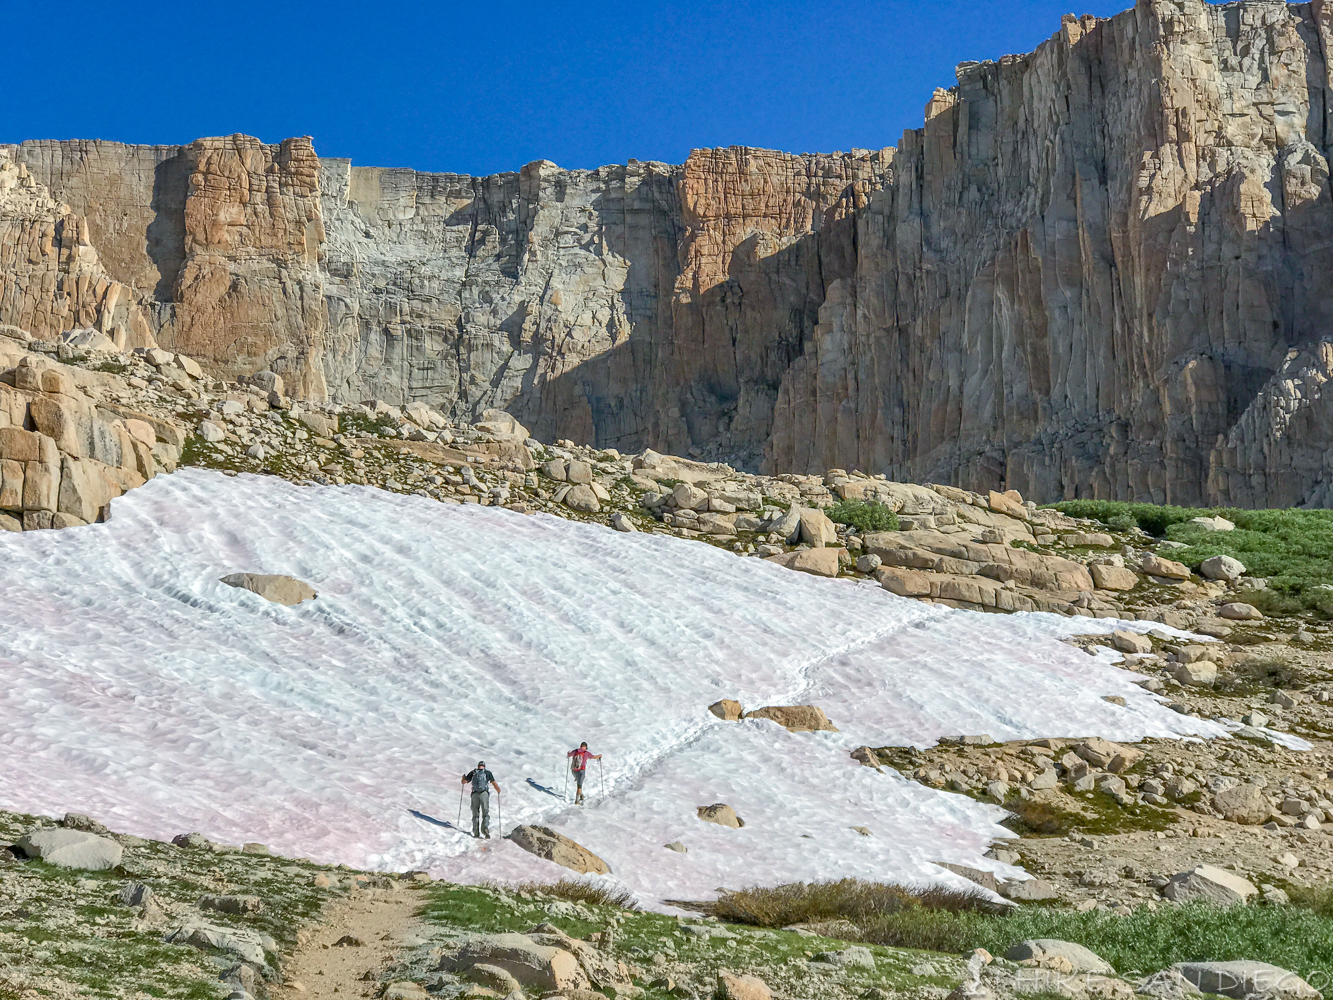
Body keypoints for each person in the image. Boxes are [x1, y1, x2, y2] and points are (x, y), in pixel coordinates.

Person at [462, 760, 500, 838]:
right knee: (485, 812)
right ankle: (485, 828)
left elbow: (464, 782)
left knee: (475, 814)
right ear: (484, 766)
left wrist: (463, 778)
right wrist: (498, 790)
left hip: (475, 794)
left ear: (478, 766)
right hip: (484, 794)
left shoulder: (473, 772)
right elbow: (494, 783)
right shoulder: (487, 773)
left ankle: (476, 833)